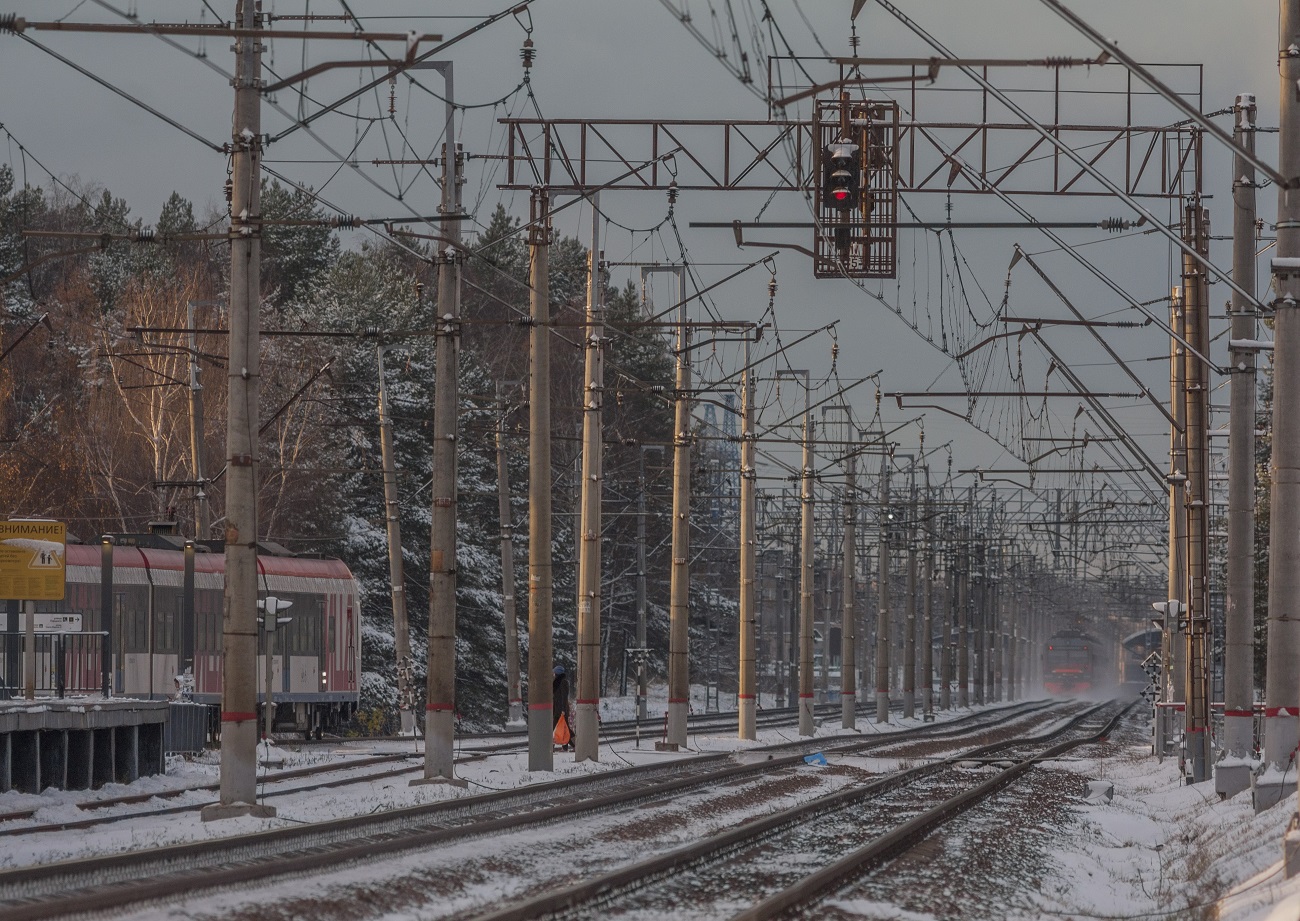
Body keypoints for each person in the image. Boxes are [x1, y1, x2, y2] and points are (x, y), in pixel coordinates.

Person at [552, 665, 573, 751]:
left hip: (561, 710)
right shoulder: (557, 682)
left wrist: (563, 710)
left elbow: (564, 697)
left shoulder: (563, 682)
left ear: (557, 673)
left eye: (554, 672)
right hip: (557, 710)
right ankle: (565, 747)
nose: (553, 674)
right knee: (563, 728)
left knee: (563, 728)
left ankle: (574, 744)